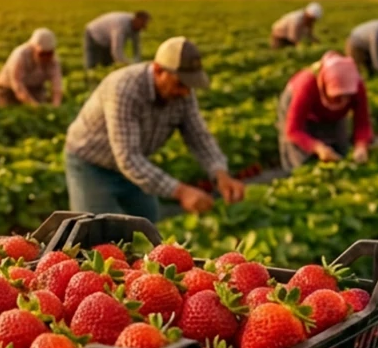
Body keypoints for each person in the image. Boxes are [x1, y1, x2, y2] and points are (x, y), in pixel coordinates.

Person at [64, 36, 245, 220]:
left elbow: (198, 136)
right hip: (91, 164)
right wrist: (182, 192)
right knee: (95, 230)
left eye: (190, 86)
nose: (185, 92)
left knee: (147, 224)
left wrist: (220, 174)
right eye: (180, 84)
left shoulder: (183, 94)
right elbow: (128, 158)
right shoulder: (125, 89)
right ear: (158, 70)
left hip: (136, 165)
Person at [277, 52, 373, 171]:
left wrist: (361, 145)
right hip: (298, 106)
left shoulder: (356, 87)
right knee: (299, 155)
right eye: (337, 97)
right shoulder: (307, 85)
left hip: (333, 115)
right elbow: (293, 130)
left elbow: (363, 124)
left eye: (346, 96)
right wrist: (317, 147)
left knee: (340, 149)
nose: (342, 101)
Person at [0, 28, 64, 108]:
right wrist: (33, 106)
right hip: (9, 89)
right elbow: (17, 85)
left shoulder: (53, 60)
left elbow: (57, 85)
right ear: (33, 48)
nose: (46, 57)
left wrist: (56, 105)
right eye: (42, 54)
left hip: (35, 88)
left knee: (39, 114)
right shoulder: (20, 55)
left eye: (49, 53)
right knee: (10, 113)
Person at [83, 10, 150, 69]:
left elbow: (136, 46)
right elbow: (116, 51)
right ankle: (89, 78)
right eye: (142, 24)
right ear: (136, 20)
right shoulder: (120, 26)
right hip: (94, 32)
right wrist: (127, 64)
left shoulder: (136, 27)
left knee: (108, 63)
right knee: (92, 62)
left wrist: (137, 62)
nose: (143, 27)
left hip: (108, 35)